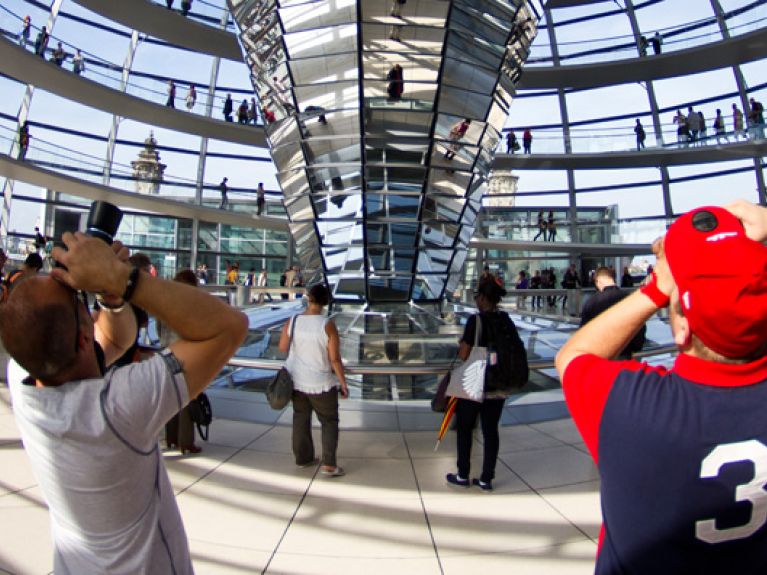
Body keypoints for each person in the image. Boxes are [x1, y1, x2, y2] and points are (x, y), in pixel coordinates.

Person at [1, 231, 247, 573]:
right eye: (77, 300)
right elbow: (230, 326)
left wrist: (110, 298)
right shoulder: (118, 407)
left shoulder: (23, 377)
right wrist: (119, 276)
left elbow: (114, 339)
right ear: (85, 335)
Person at [555, 201, 767, 573]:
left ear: (682, 328)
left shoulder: (630, 407)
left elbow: (573, 356)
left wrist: (656, 287)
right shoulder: (630, 401)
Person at [446, 279, 528, 491]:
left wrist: (461, 346)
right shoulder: (505, 320)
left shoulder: (476, 321)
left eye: (477, 297)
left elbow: (464, 354)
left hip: (475, 382)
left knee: (465, 428)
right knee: (490, 430)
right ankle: (486, 478)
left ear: (483, 298)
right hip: (499, 384)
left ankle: (463, 474)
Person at [279, 284, 348, 477]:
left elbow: (283, 347)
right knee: (329, 421)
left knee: (300, 418)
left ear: (309, 298)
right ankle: (329, 464)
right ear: (326, 301)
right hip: (321, 383)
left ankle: (303, 458)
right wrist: (343, 382)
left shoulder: (293, 321)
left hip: (297, 381)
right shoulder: (327, 324)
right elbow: (334, 358)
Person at [160, 269, 202, 455]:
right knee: (186, 397)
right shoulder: (193, 304)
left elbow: (159, 328)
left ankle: (171, 438)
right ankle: (186, 441)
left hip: (167, 352)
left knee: (170, 396)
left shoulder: (165, 302)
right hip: (186, 353)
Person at [579, 266, 646, 360]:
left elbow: (583, 332)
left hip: (600, 356)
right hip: (624, 354)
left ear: (598, 281)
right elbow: (640, 326)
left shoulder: (591, 302)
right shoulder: (629, 299)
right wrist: (635, 347)